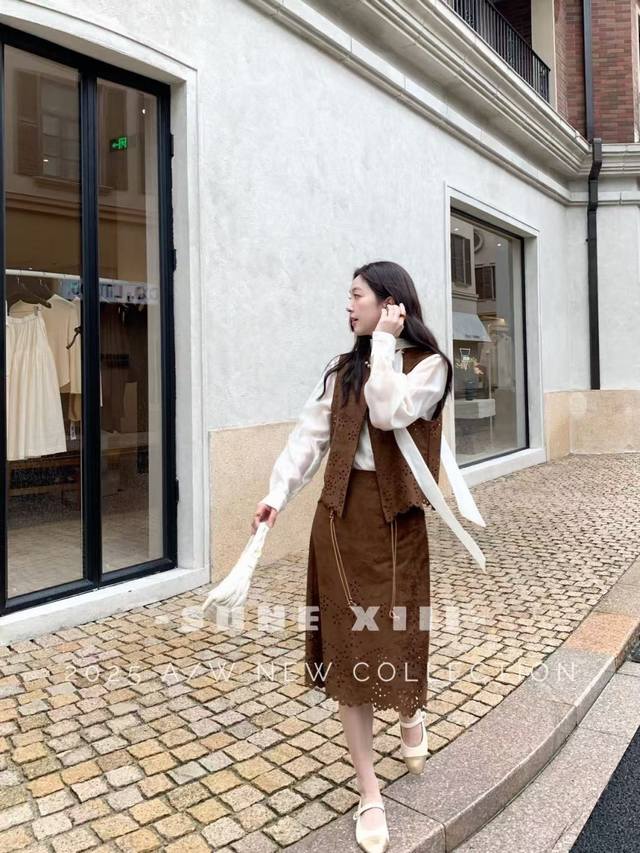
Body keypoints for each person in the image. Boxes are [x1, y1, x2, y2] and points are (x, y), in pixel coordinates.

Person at [252, 261, 464, 853]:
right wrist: (275, 496)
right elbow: (308, 438)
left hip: (396, 524)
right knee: (352, 659)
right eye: (349, 297)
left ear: (391, 304)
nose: (348, 307)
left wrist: (386, 346)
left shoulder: (430, 367)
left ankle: (409, 709)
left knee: (394, 638)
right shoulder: (341, 371)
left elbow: (388, 412)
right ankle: (370, 792)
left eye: (357, 296)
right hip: (340, 521)